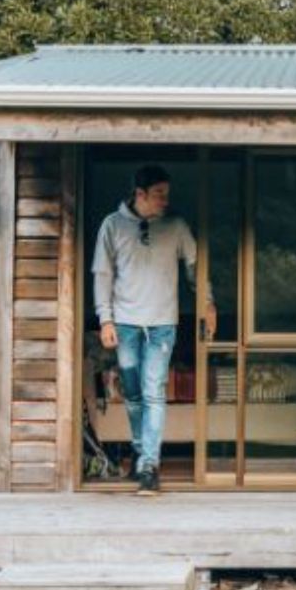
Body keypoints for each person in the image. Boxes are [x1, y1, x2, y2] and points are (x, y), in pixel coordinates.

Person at [92, 163, 216, 495]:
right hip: (126, 323)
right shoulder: (112, 225)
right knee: (133, 395)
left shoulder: (176, 226)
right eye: (159, 194)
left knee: (153, 391)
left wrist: (207, 302)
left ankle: (149, 466)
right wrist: (105, 319)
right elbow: (102, 274)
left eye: (167, 194)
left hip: (162, 324)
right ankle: (140, 449)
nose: (165, 200)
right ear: (140, 194)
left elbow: (195, 266)